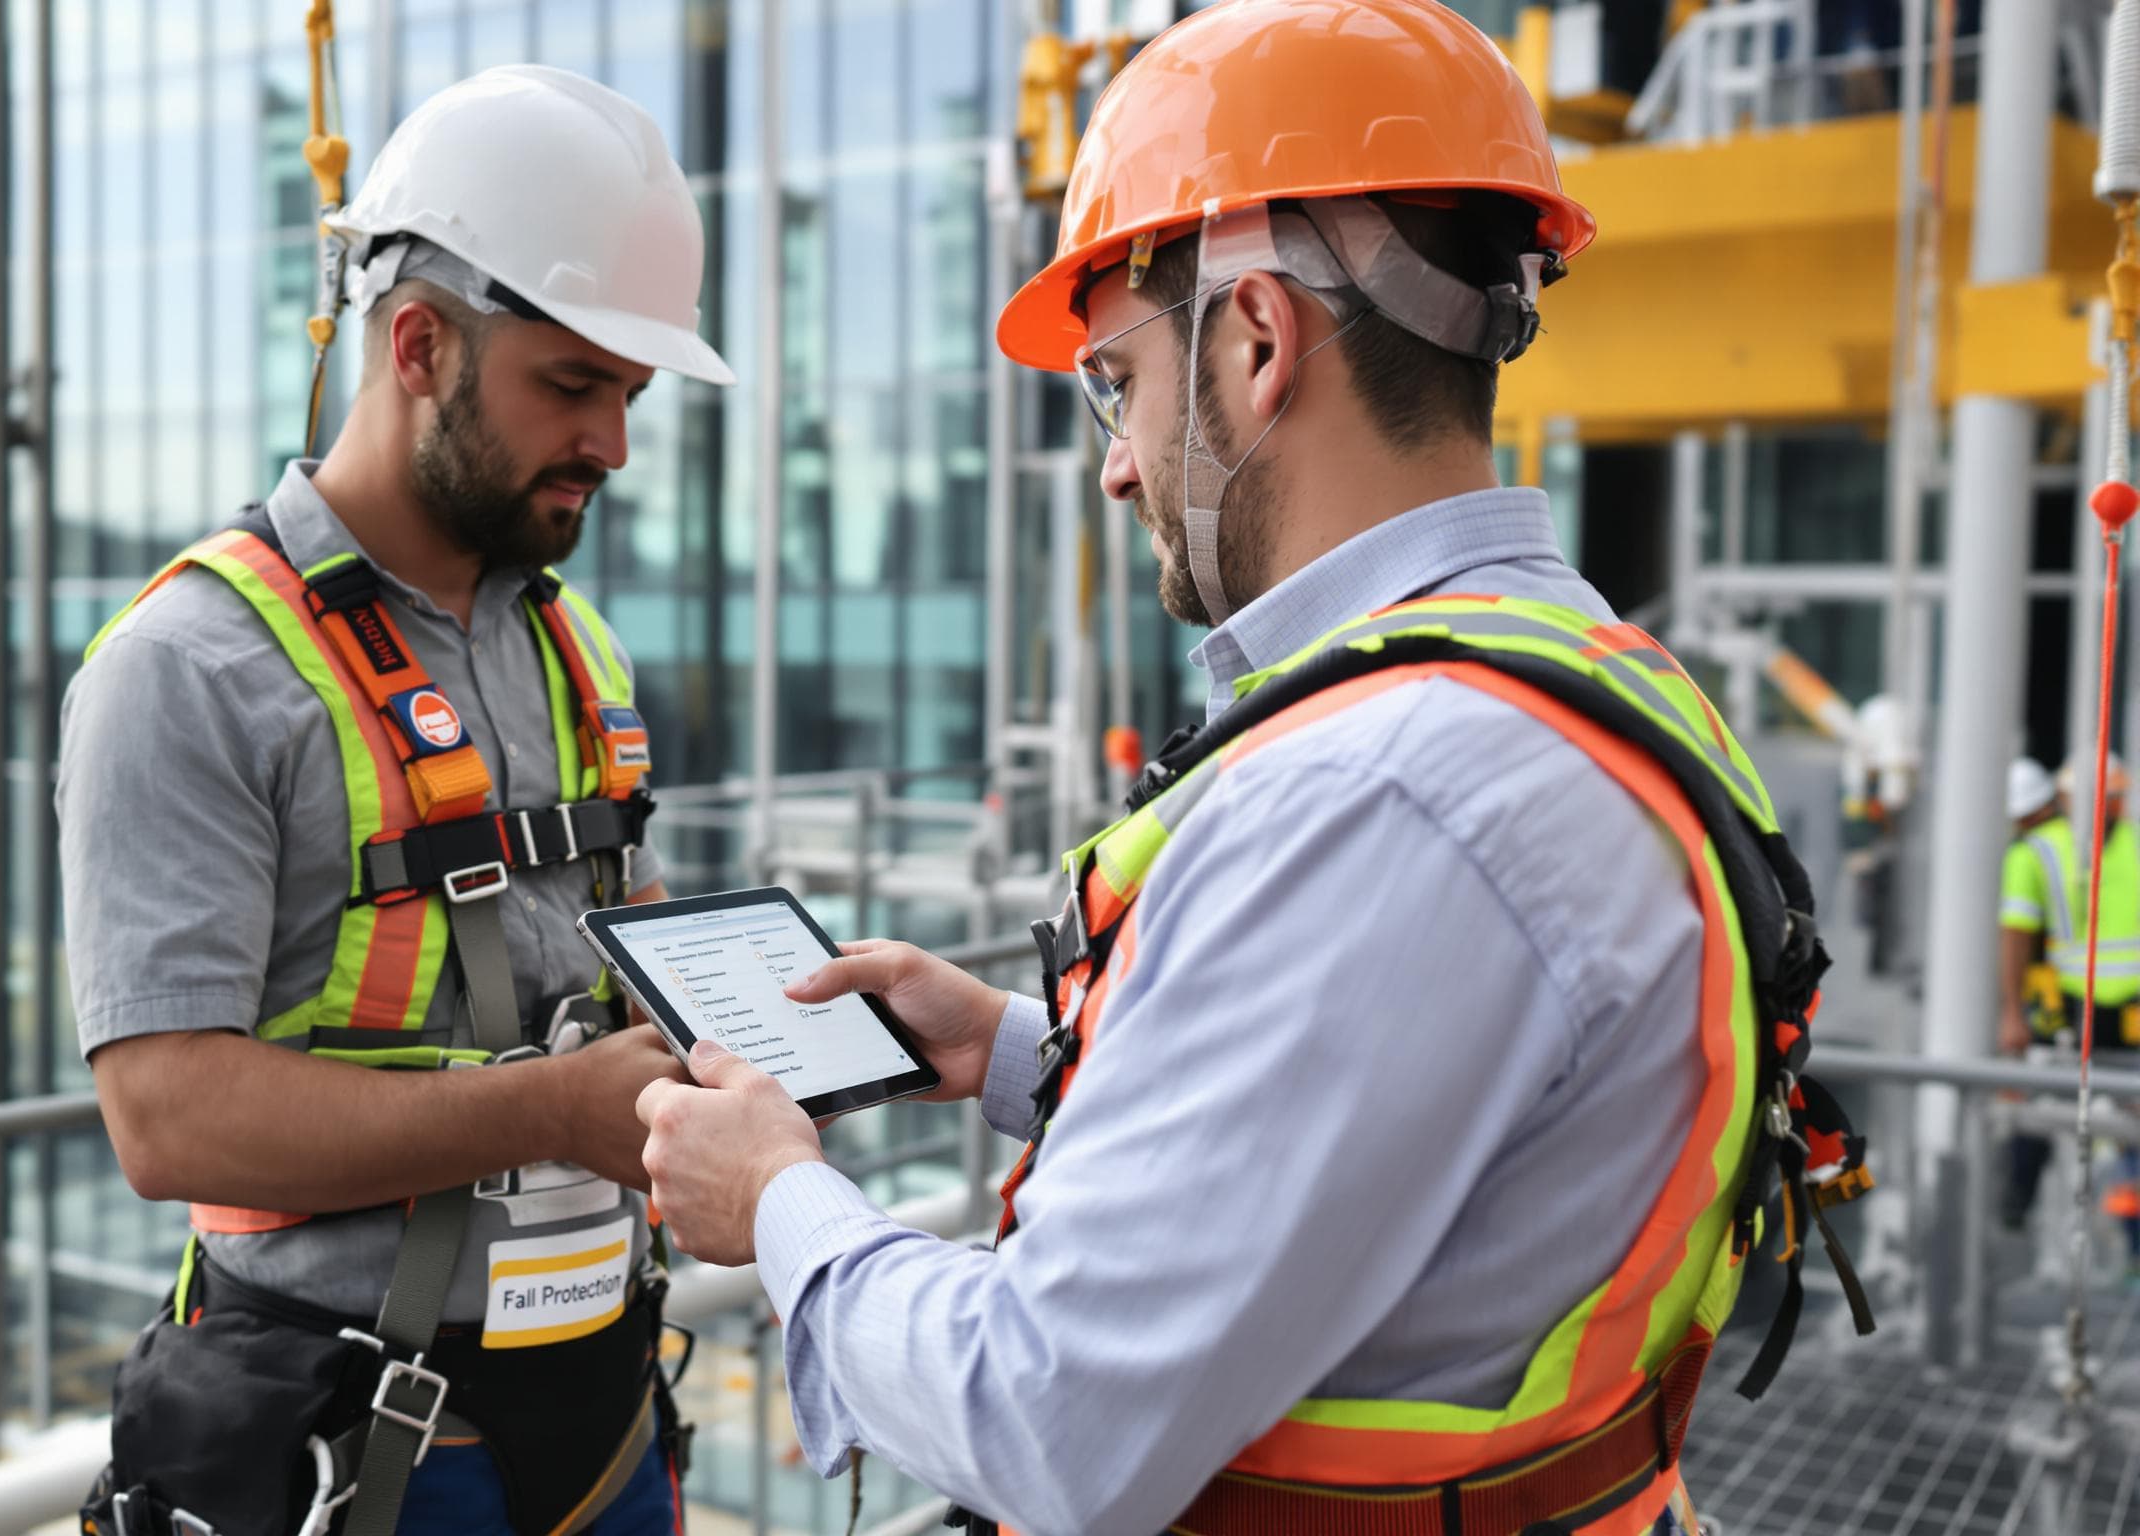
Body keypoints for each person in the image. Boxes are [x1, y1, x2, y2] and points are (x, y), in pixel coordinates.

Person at [633, 4, 1868, 1533]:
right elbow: (1416, 1149)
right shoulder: (1581, 676)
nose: (1118, 462)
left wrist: (776, 1199)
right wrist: (1019, 1053)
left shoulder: (1382, 787)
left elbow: (1046, 1418)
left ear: (1258, 340)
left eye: (1116, 382)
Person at [61, 64, 729, 1536]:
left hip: (603, 1415)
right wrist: (558, 1104)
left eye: (627, 393)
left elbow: (605, 947)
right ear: (418, 344)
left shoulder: (570, 645)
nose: (612, 444)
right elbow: (164, 1113)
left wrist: (733, 1035)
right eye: (571, 384)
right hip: (356, 1449)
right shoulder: (192, 667)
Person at [2003, 754, 2140, 1259]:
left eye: (2113, 797)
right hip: (2066, 1005)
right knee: (2037, 1107)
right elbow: (2015, 934)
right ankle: (2012, 1208)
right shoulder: (2037, 852)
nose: (2108, 806)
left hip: (2128, 1010)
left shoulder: (2135, 846)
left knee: (2132, 1129)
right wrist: (2012, 1013)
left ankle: (2134, 1247)